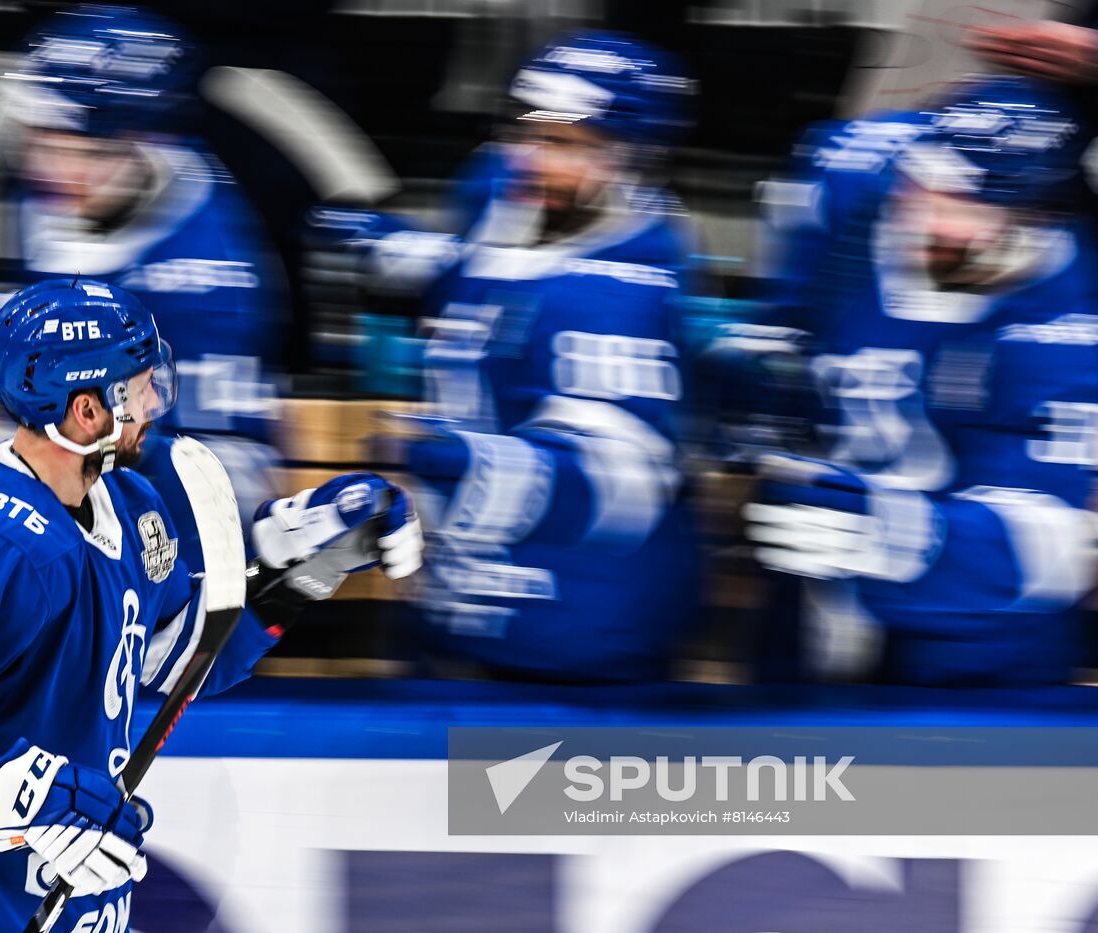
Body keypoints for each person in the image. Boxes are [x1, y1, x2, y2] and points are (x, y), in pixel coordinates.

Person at [0, 277, 421, 931]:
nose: (153, 399)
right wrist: (13, 792)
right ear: (85, 411)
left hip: (59, 905)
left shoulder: (129, 506)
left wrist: (302, 570)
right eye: (136, 386)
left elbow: (182, 662)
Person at [742, 76, 1098, 685]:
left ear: (1035, 215)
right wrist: (757, 381)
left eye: (964, 203)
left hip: (973, 641)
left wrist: (886, 535)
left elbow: (1060, 547)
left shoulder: (1067, 326)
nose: (928, 212)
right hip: (816, 600)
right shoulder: (855, 193)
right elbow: (784, 330)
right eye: (923, 185)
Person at [375, 31, 702, 681]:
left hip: (575, 635)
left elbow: (620, 488)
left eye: (566, 145)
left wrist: (470, 464)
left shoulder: (621, 293)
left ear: (628, 158)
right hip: (458, 607)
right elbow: (488, 290)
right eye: (527, 133)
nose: (532, 158)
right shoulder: (508, 203)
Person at [1, 4, 287, 534]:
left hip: (157, 534)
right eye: (42, 143)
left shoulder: (207, 280)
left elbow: (222, 477)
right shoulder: (58, 198)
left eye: (83, 150)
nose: (55, 171)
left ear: (145, 143)